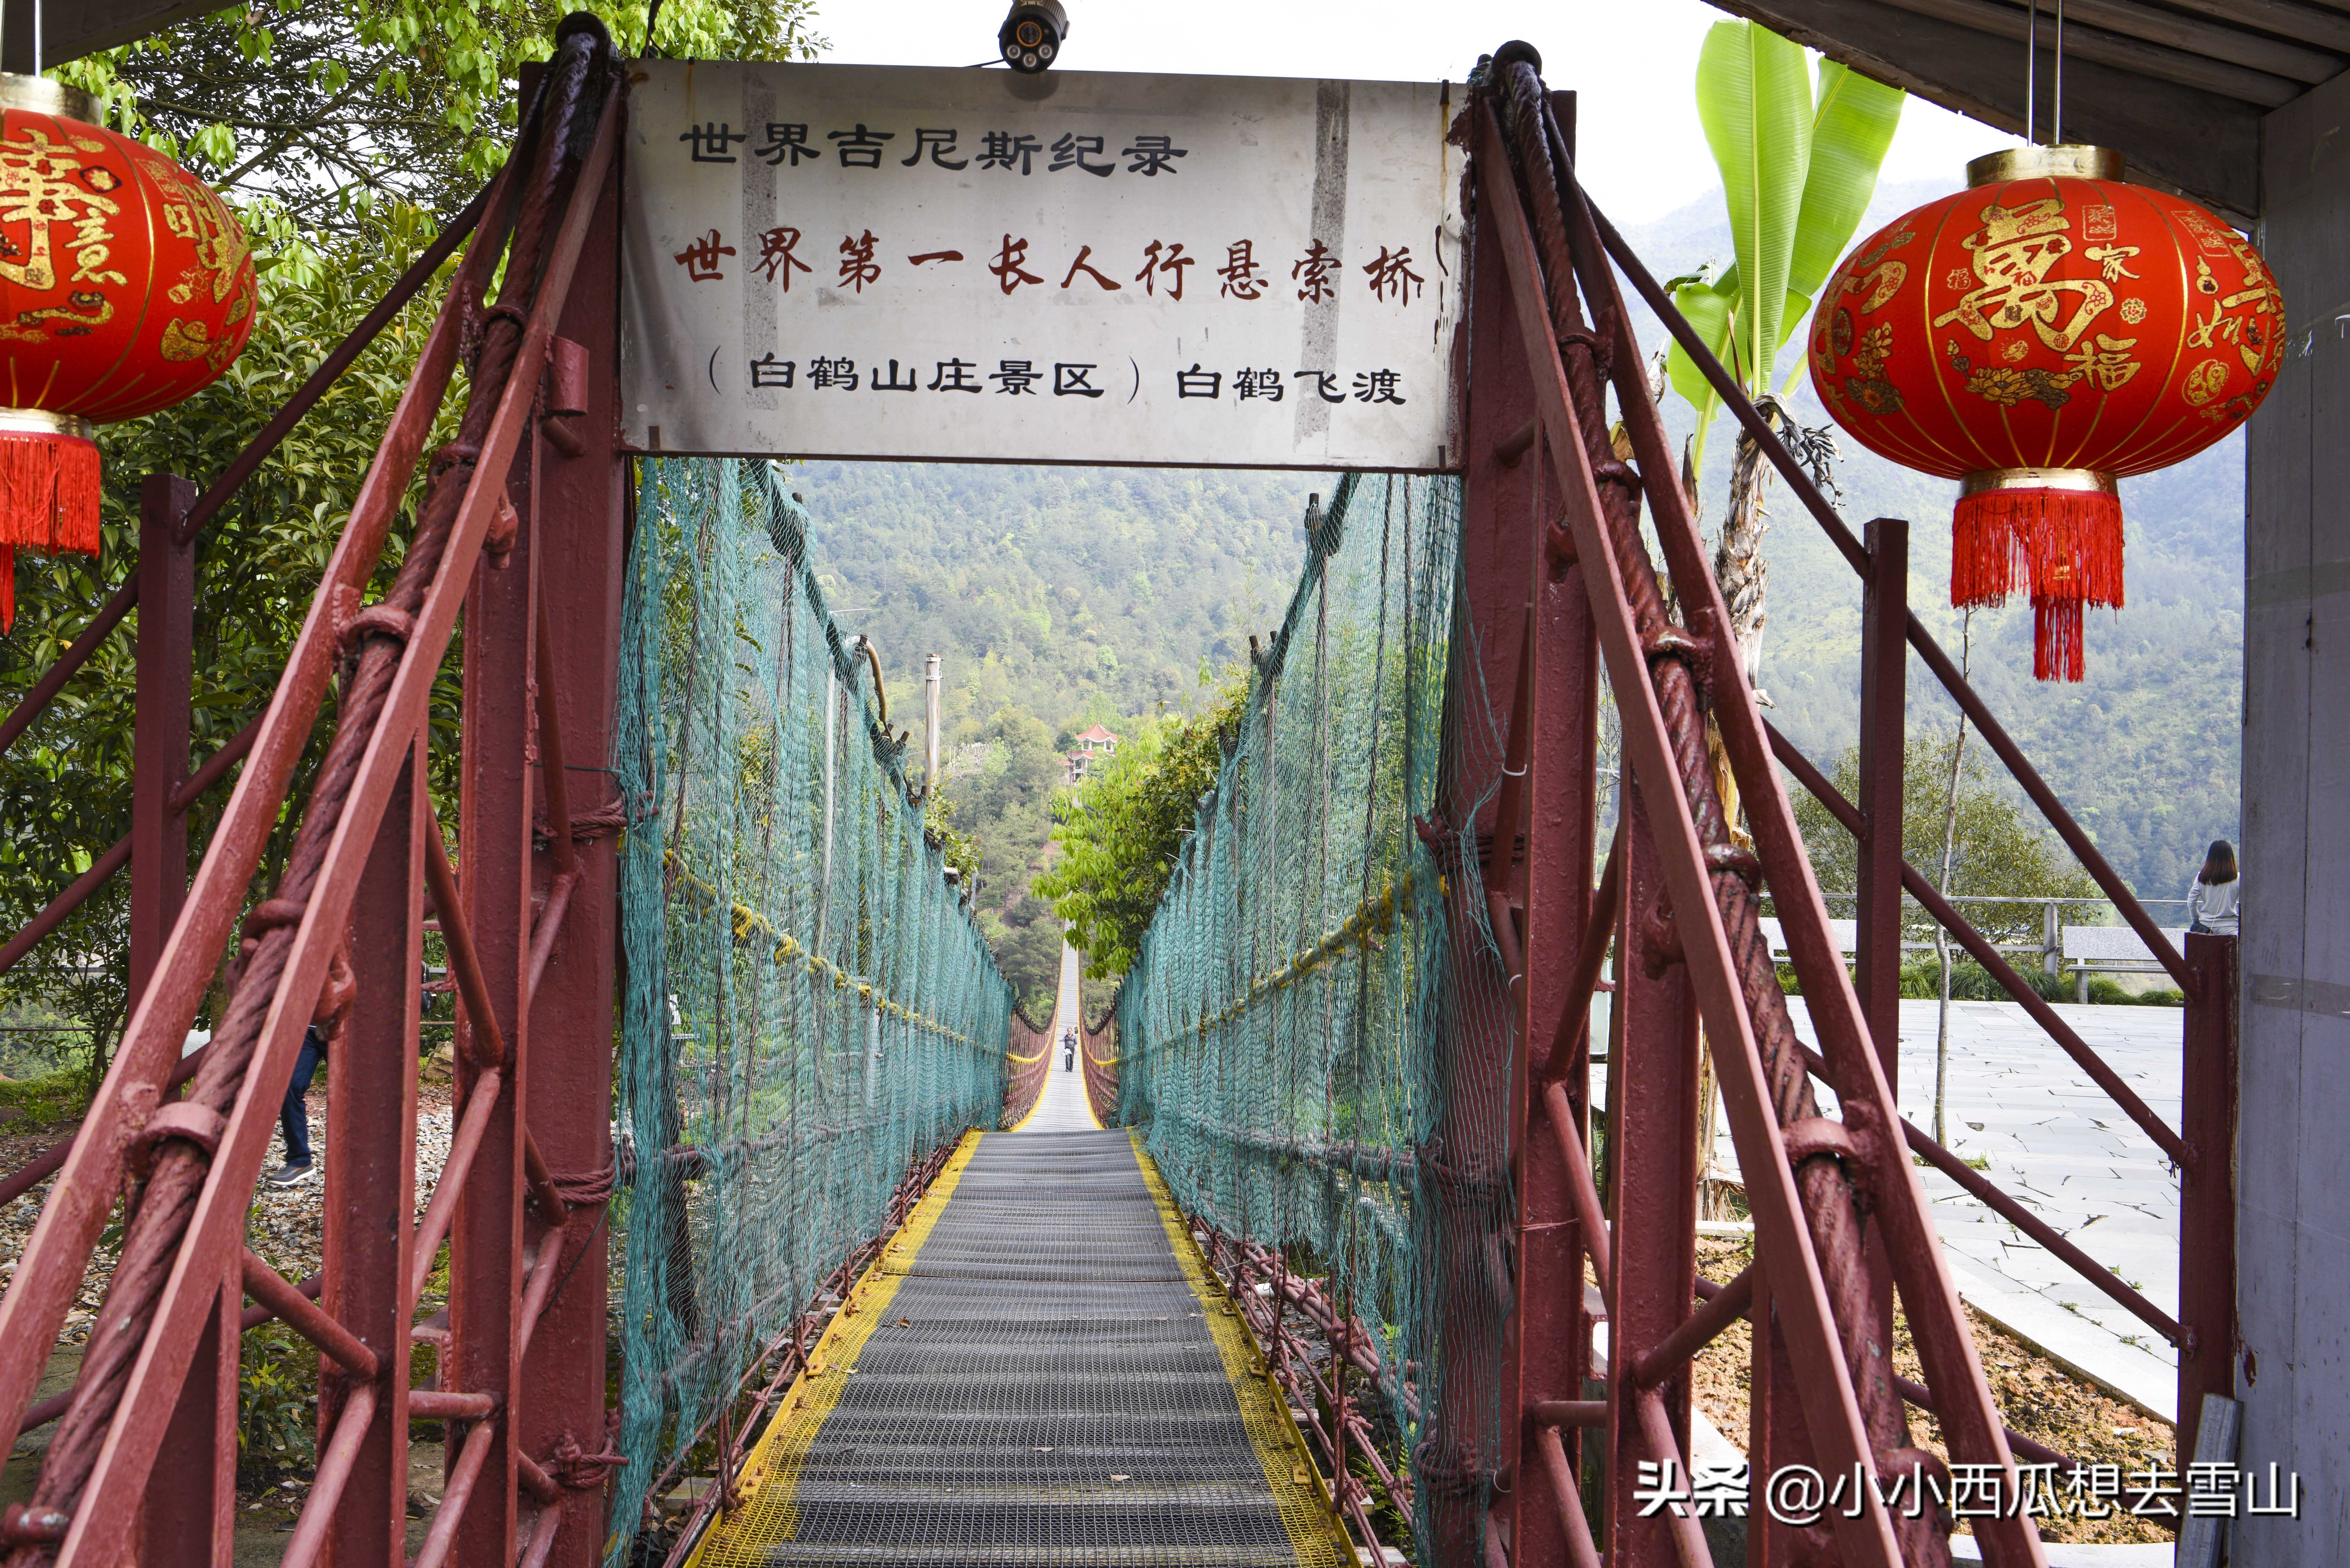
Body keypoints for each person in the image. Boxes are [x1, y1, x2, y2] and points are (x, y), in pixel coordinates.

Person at [266, 1023, 327, 1186]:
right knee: (289, 1086)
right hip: (308, 1029)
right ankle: (300, 1161)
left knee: (356, 1094)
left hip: (345, 1027)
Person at [2186, 838, 2240, 936]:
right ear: (2231, 857)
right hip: (2230, 928)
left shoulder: (2201, 877)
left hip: (2205, 928)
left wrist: (2197, 920)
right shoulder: (2239, 878)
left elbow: (2191, 902)